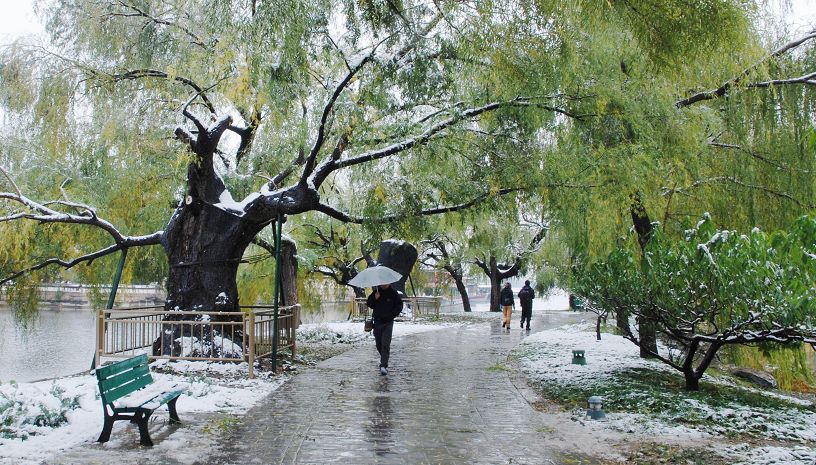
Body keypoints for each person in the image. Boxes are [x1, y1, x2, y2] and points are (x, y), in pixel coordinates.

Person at [366, 282, 403, 375]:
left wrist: (391, 315)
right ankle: (384, 358)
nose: (383, 284)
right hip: (377, 322)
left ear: (389, 282)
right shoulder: (376, 292)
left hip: (388, 323)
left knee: (385, 344)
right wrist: (375, 298)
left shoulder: (394, 293)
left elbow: (399, 306)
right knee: (379, 344)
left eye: (385, 282)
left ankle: (383, 365)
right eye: (382, 282)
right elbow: (369, 304)